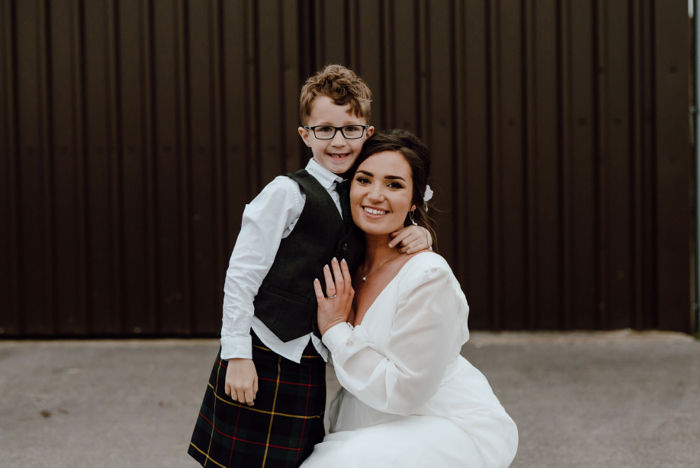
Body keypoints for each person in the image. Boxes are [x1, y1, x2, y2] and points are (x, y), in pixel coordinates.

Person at [188, 67, 433, 468]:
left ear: (367, 134)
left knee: (296, 460)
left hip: (309, 356)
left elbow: (417, 190)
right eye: (324, 130)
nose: (338, 141)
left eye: (351, 129)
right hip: (261, 348)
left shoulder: (363, 186)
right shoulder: (286, 192)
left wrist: (419, 232)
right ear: (305, 135)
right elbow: (241, 276)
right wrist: (237, 355)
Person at [302, 130, 518, 468]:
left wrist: (334, 328)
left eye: (394, 185)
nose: (375, 195)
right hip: (361, 423)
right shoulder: (343, 261)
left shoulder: (428, 277)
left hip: (438, 424)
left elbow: (405, 391)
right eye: (364, 179)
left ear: (415, 200)